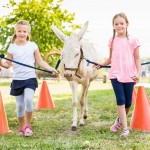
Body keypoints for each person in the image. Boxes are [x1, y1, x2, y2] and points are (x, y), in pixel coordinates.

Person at [0, 20, 58, 137]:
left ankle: (28, 126)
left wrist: (51, 68)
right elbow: (7, 64)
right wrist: (0, 62)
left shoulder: (33, 46)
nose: (22, 33)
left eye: (24, 31)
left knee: (28, 101)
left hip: (30, 79)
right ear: (15, 32)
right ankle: (21, 128)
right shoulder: (12, 48)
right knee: (20, 106)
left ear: (28, 33)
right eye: (19, 31)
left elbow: (40, 61)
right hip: (17, 80)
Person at [96, 13, 141, 137]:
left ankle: (119, 121)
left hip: (130, 75)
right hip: (115, 74)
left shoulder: (133, 40)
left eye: (122, 23)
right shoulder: (112, 40)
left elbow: (137, 59)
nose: (119, 26)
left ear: (127, 24)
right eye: (116, 24)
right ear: (113, 26)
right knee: (120, 100)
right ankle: (125, 128)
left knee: (128, 103)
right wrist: (101, 64)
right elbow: (110, 58)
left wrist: (137, 73)